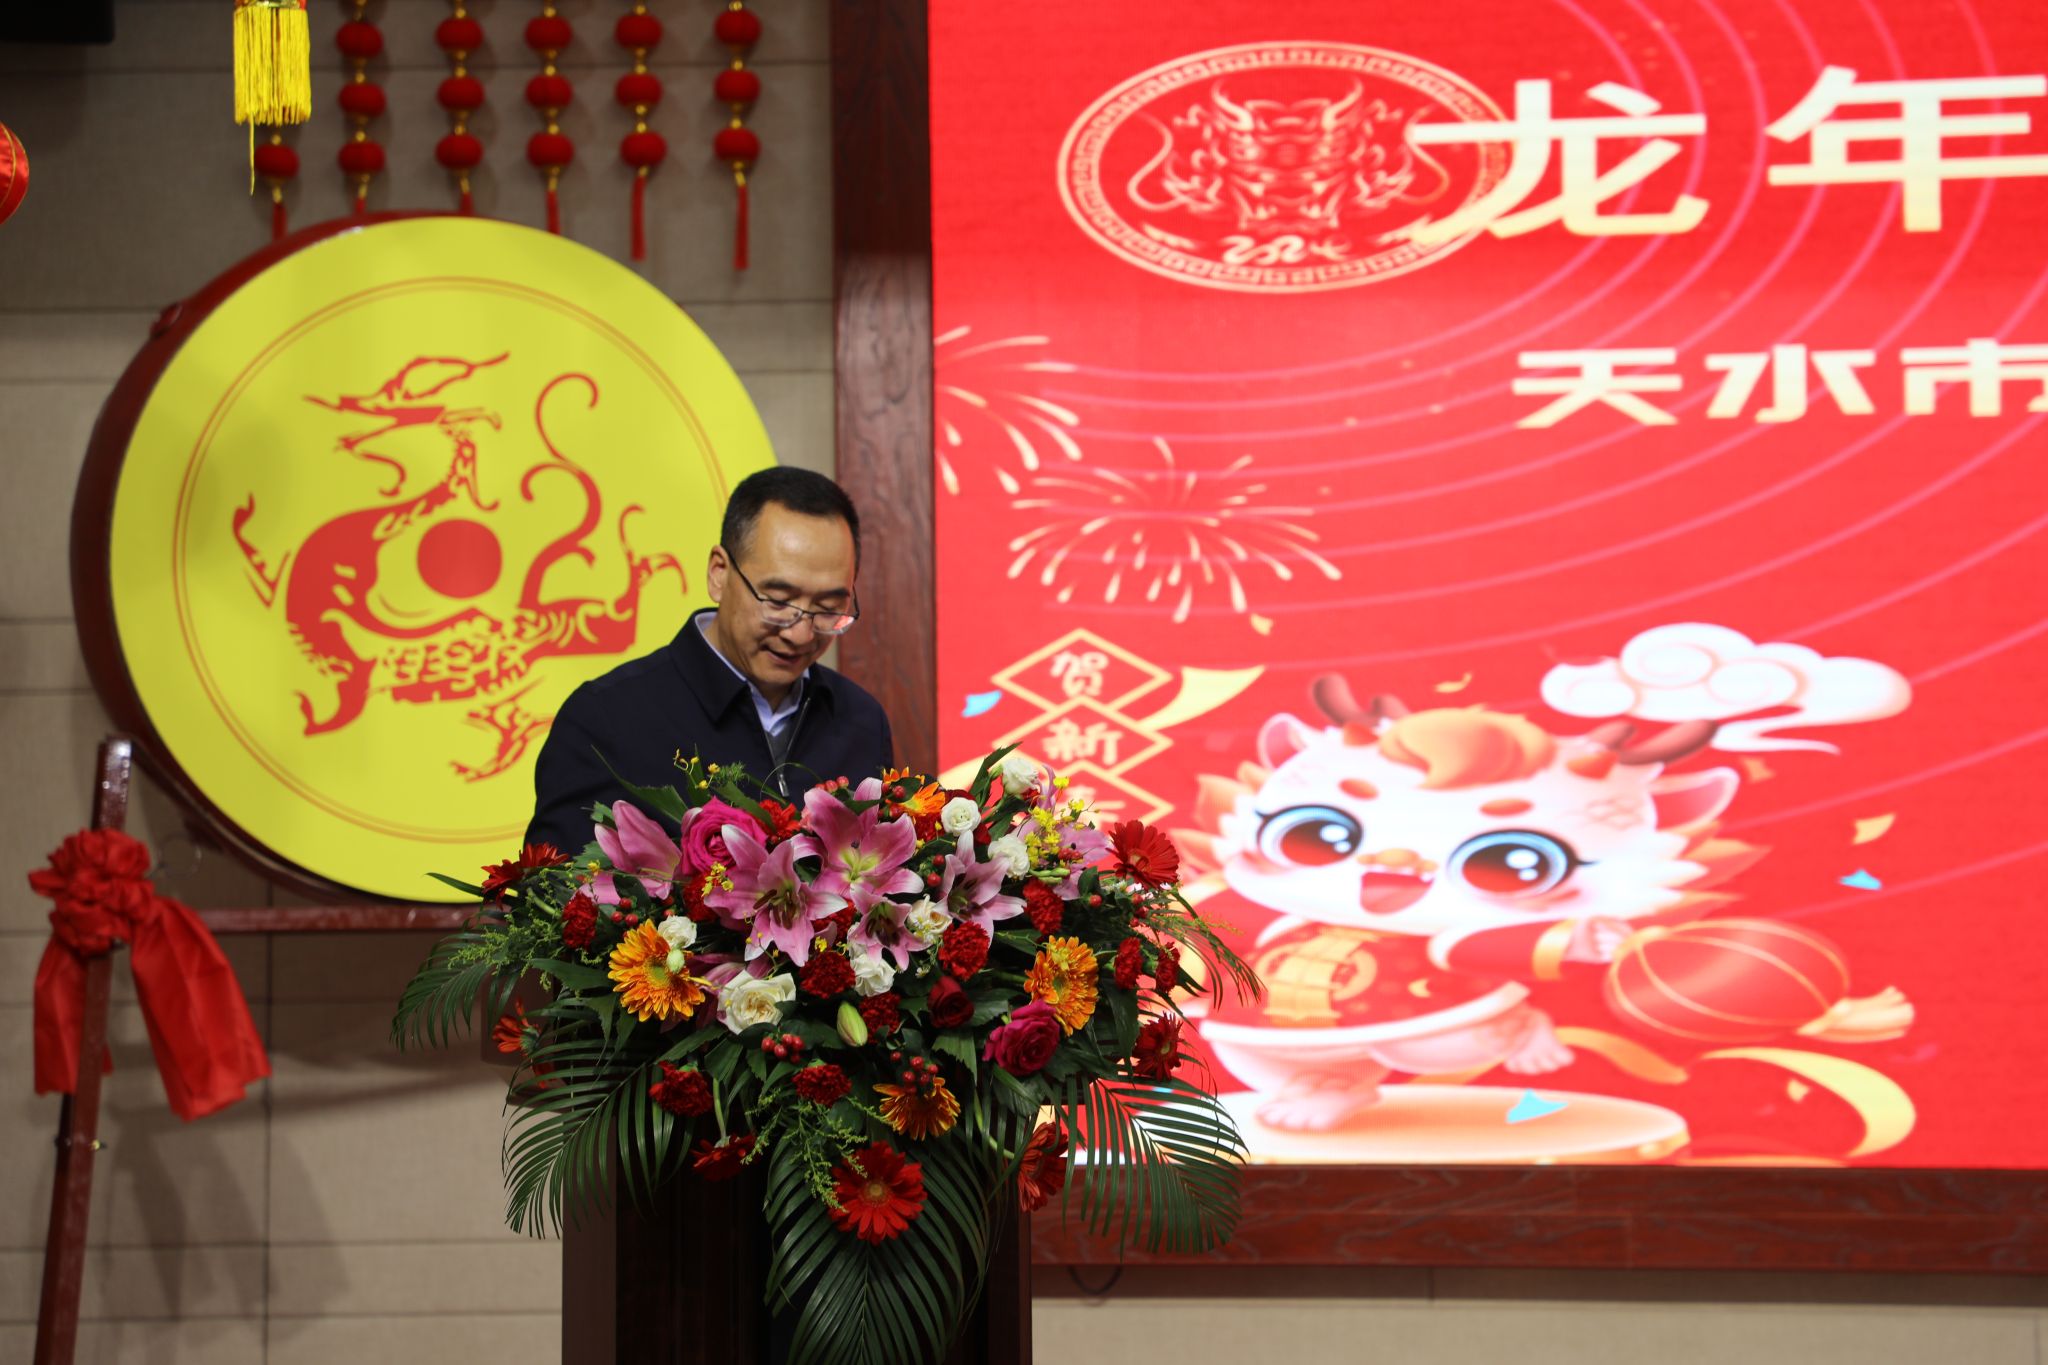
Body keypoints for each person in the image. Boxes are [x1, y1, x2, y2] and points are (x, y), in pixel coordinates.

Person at [523, 465, 895, 853]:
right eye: (777, 601)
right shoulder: (605, 721)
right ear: (719, 573)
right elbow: (553, 886)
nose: (800, 634)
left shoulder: (861, 721)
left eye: (829, 607)